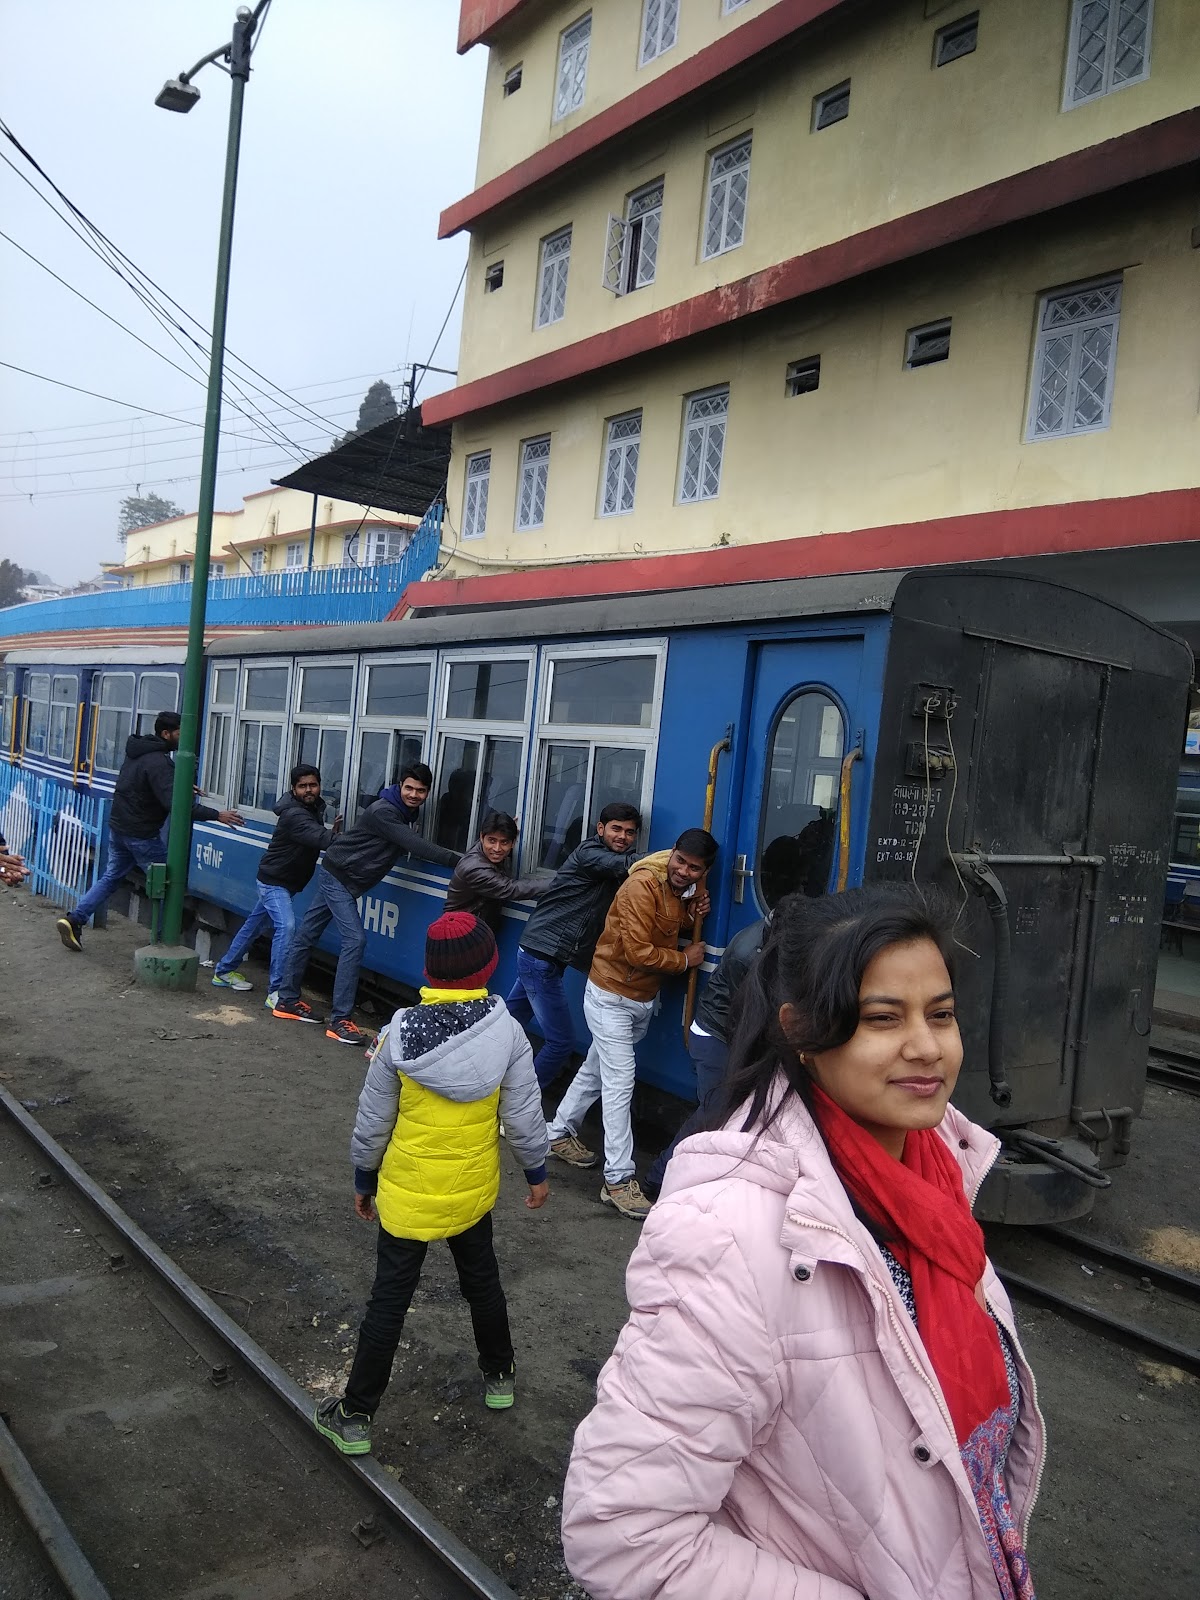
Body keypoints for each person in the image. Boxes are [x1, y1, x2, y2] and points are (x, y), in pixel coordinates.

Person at [561, 885, 1044, 1600]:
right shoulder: (731, 1235)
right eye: (883, 1018)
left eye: (940, 1014)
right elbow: (624, 1537)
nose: (927, 1046)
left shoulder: (938, 1172)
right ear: (802, 1034)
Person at [313, 911, 549, 1455]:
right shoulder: (507, 1030)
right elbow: (524, 1117)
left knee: (389, 1301)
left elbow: (373, 1120)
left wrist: (363, 1178)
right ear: (489, 966)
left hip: (406, 1193)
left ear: (430, 971)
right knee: (482, 1284)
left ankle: (355, 1413)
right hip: (471, 1191)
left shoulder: (398, 1033)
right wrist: (535, 1172)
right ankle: (499, 1378)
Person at [546, 828, 717, 1221]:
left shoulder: (678, 890)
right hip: (611, 996)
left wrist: (694, 913)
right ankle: (618, 1179)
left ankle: (557, 1133)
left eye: (694, 869)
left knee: (595, 1069)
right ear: (671, 853)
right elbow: (639, 952)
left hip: (637, 998)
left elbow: (667, 924)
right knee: (620, 1083)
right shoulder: (642, 885)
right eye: (680, 861)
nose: (684, 871)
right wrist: (685, 960)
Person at [272, 762, 460, 1047]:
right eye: (409, 788)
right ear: (399, 786)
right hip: (340, 877)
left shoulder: (404, 811)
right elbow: (416, 845)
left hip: (341, 874)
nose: (414, 795)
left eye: (421, 791)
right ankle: (340, 1021)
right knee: (355, 941)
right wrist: (463, 860)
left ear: (428, 793)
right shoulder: (384, 811)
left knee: (307, 935)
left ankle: (286, 1000)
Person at [56, 711, 242, 951]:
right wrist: (217, 815)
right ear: (166, 734)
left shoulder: (139, 753)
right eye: (180, 733)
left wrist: (179, 782)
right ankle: (165, 940)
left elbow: (145, 784)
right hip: (141, 835)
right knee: (168, 883)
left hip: (120, 828)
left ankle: (74, 919)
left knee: (111, 877)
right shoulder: (159, 761)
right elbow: (177, 805)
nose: (185, 739)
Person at [506, 802, 641, 1091]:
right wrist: (670, 861)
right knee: (561, 1042)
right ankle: (521, 1104)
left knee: (506, 1027)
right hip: (542, 955)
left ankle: (479, 1082)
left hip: (540, 953)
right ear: (600, 829)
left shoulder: (613, 861)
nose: (623, 837)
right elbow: (623, 864)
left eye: (630, 832)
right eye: (616, 829)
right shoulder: (590, 853)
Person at [641, 912, 769, 1199]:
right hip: (715, 1033)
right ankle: (658, 1178)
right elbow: (747, 1019)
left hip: (733, 1032)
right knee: (715, 1109)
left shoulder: (770, 938)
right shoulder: (748, 957)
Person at [211, 764, 340, 1007]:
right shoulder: (295, 814)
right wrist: (344, 838)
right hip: (274, 882)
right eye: (302, 786)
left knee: (254, 925)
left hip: (284, 881)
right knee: (287, 926)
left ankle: (224, 971)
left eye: (313, 785)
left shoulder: (312, 807)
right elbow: (320, 838)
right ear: (293, 789)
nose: (309, 790)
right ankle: (277, 992)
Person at [443, 810, 546, 934]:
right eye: (492, 841)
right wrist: (560, 881)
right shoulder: (475, 868)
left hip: (473, 930)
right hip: (459, 933)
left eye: (504, 842)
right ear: (481, 837)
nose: (497, 849)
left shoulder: (483, 849)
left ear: (513, 843)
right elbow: (511, 889)